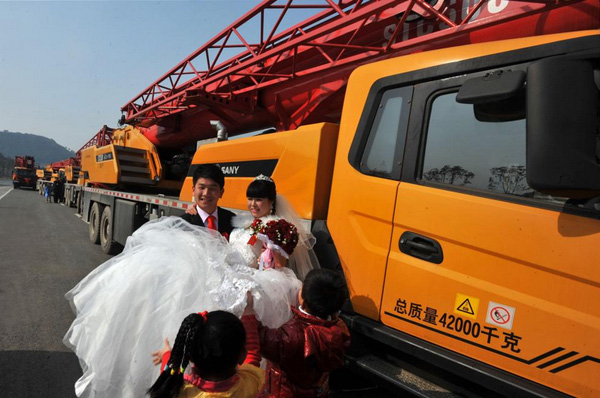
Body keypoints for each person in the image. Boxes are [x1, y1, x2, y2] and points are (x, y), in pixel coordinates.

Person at [63, 174, 317, 398]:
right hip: (226, 273)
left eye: (259, 200)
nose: (253, 204)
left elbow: (276, 265)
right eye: (250, 199)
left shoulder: (273, 228)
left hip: (246, 279)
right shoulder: (239, 221)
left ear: (271, 201)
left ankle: (204, 369)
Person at [257, 268, 351, 398]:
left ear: (303, 300)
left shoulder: (292, 336)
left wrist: (250, 312)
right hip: (317, 390)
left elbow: (262, 339)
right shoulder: (339, 328)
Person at [147, 310, 264, 398]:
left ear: (190, 357)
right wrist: (248, 314)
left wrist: (167, 354)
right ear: (242, 355)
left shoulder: (176, 390)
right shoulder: (251, 383)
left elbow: (168, 373)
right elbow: (252, 358)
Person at [180, 164, 235, 238]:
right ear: (193, 190)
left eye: (212, 188)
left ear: (221, 193)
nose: (206, 193)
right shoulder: (183, 224)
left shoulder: (232, 220)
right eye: (202, 187)